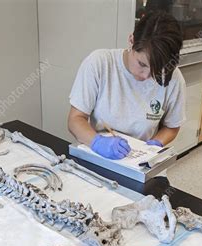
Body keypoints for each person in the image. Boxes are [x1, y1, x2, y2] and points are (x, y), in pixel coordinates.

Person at [67, 11, 186, 160]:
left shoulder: (174, 78)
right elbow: (75, 120)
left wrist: (155, 144)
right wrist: (97, 142)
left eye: (156, 70)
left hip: (140, 161)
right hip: (101, 156)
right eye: (142, 64)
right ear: (131, 41)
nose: (145, 75)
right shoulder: (100, 63)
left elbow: (172, 126)